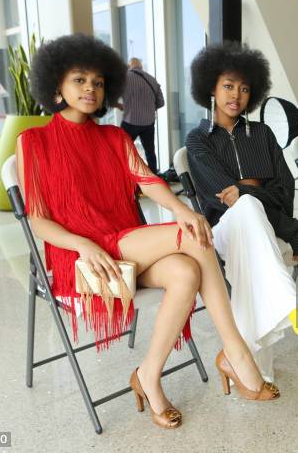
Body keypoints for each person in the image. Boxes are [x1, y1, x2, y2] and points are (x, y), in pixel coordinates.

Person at [18, 34, 280, 430]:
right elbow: (37, 220)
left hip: (125, 240)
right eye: (79, 80)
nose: (90, 88)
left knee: (187, 270)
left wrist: (179, 208)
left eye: (98, 82)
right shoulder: (33, 142)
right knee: (193, 236)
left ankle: (147, 375)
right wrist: (83, 244)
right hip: (83, 256)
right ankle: (236, 353)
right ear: (56, 85)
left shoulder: (114, 137)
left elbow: (148, 180)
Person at [185, 42, 298, 382]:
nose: (236, 95)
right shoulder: (198, 140)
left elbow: (284, 188)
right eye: (228, 86)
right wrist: (251, 187)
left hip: (263, 228)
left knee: (250, 250)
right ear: (210, 87)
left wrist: (244, 187)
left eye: (244, 88)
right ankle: (295, 311)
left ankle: (250, 368)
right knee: (247, 206)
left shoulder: (263, 134)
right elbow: (221, 196)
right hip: (222, 231)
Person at [118, 57, 164, 174]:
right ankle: (154, 178)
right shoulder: (152, 80)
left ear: (129, 66)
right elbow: (161, 103)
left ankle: (124, 177)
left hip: (130, 122)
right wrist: (147, 108)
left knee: (122, 151)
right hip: (148, 123)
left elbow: (111, 97)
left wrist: (120, 106)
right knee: (150, 152)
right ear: (141, 67)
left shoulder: (124, 79)